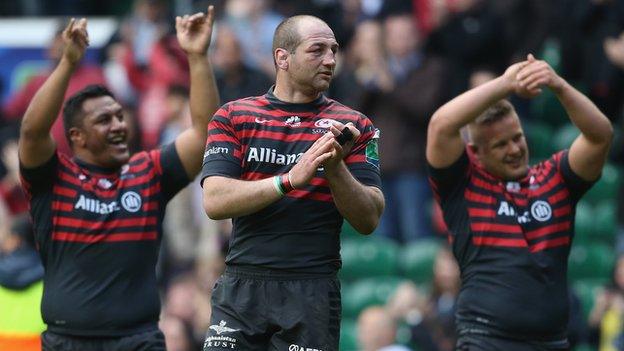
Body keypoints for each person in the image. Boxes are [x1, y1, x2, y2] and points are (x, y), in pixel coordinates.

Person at [17, 7, 218, 351]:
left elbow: (206, 135)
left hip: (139, 341)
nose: (119, 125)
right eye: (104, 120)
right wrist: (68, 63)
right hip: (67, 342)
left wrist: (197, 57)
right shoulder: (54, 178)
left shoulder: (149, 172)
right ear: (77, 136)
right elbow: (32, 132)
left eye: (119, 116)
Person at [200, 15, 384, 351]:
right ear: (282, 58)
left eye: (334, 50)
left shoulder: (355, 125)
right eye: (317, 50)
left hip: (311, 290)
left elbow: (369, 218)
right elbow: (215, 201)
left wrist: (335, 168)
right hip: (242, 286)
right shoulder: (233, 116)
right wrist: (288, 180)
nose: (330, 59)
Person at [426, 54, 613, 350]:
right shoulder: (462, 185)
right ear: (476, 152)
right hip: (485, 341)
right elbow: (441, 125)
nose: (514, 149)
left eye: (517, 138)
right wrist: (506, 83)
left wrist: (557, 84)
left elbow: (600, 136)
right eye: (501, 144)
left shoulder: (556, 178)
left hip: (552, 342)